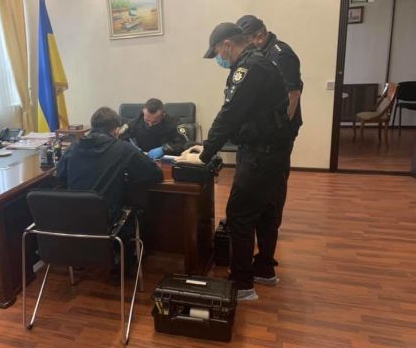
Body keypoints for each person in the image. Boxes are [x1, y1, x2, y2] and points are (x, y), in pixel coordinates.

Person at [182, 22, 291, 301]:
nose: (219, 58)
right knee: (266, 212)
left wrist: (205, 153)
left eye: (218, 52)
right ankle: (265, 270)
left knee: (239, 215)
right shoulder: (261, 62)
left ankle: (242, 285)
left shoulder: (249, 68)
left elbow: (229, 114)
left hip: (259, 154)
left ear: (228, 44)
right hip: (275, 152)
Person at [236, 15, 303, 283]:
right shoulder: (259, 56)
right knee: (262, 194)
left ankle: (265, 257)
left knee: (272, 195)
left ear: (260, 35)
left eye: (247, 40)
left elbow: (292, 94)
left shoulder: (280, 54)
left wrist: (278, 131)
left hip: (276, 139)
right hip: (261, 138)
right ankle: (262, 250)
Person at [57, 107, 163, 272]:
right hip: (108, 220)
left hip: (75, 219)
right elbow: (155, 174)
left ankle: (82, 257)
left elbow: (60, 176)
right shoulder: (122, 148)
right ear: (116, 130)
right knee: (136, 209)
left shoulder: (73, 147)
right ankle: (123, 266)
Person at [119, 98, 189, 159]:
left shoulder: (174, 123)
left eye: (155, 122)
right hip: (142, 158)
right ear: (143, 112)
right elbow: (120, 138)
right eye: (147, 120)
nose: (150, 124)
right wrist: (131, 147)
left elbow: (184, 143)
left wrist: (164, 149)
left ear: (163, 115)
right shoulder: (136, 121)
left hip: (165, 158)